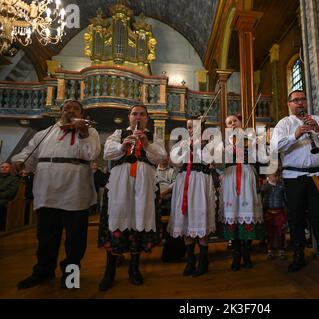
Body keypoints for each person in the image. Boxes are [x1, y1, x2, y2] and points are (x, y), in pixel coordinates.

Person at [12, 99, 101, 289]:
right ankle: (43, 271)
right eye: (67, 108)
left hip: (75, 191)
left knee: (75, 240)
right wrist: (19, 161)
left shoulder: (89, 131)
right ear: (60, 112)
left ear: (82, 115)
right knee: (45, 236)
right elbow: (29, 155)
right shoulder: (44, 134)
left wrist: (83, 132)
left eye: (76, 109)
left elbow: (92, 154)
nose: (70, 111)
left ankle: (71, 277)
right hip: (46, 190)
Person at [270, 90, 319, 273]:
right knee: (296, 218)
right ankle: (298, 255)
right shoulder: (284, 123)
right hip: (294, 178)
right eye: (296, 100)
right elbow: (275, 146)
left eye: (302, 99)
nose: (300, 103)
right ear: (289, 104)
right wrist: (294, 135)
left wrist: (318, 129)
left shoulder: (316, 120)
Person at [97, 104, 166, 291]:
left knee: (138, 222)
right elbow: (107, 153)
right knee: (116, 220)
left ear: (147, 119)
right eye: (135, 114)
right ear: (129, 117)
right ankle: (109, 271)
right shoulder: (118, 133)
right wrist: (122, 145)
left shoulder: (153, 137)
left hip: (145, 183)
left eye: (142, 115)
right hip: (121, 183)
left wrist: (146, 145)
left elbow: (160, 158)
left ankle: (134, 268)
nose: (138, 117)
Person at [168, 118, 216, 277]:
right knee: (186, 218)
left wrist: (197, 148)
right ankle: (190, 262)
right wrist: (186, 149)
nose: (191, 129)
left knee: (201, 216)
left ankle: (203, 262)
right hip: (184, 180)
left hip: (201, 180)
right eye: (189, 127)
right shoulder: (182, 143)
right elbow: (174, 162)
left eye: (194, 126)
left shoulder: (209, 142)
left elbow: (210, 161)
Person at [220, 114, 264, 271]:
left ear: (241, 124)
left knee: (247, 212)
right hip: (230, 177)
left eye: (235, 121)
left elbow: (262, 159)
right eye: (229, 123)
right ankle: (236, 253)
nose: (232, 124)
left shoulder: (249, 140)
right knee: (233, 213)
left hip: (247, 176)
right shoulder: (223, 143)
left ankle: (247, 251)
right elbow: (218, 163)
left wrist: (257, 145)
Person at [261, 172, 287, 260]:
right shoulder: (264, 187)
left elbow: (285, 199)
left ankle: (281, 250)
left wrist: (286, 210)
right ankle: (270, 250)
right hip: (268, 212)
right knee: (269, 232)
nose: (276, 178)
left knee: (281, 232)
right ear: (268, 176)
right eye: (274, 176)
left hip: (280, 211)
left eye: (277, 176)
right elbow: (261, 199)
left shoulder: (282, 186)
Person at [0, 162, 19, 231]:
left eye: (6, 167)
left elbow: (11, 192)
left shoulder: (14, 179)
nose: (4, 168)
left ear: (10, 169)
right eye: (2, 167)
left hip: (6, 199)